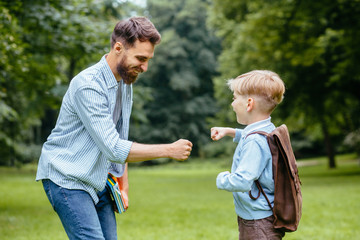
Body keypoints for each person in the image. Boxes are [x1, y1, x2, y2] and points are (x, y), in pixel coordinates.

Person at [36, 16, 193, 240]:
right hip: (68, 178)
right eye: (140, 58)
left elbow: (120, 137)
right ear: (118, 47)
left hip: (99, 180)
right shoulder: (88, 85)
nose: (145, 67)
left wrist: (123, 185)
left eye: (148, 59)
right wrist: (169, 150)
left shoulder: (124, 82)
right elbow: (114, 148)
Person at [210, 70, 286, 240]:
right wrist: (230, 132)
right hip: (261, 217)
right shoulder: (267, 129)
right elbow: (250, 136)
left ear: (249, 103)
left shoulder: (255, 141)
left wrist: (221, 178)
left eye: (235, 98)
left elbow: (242, 181)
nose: (232, 103)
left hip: (257, 222)